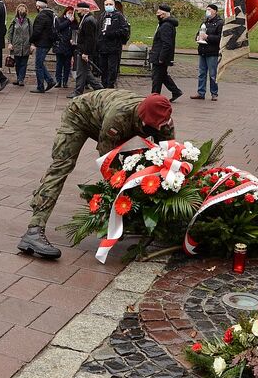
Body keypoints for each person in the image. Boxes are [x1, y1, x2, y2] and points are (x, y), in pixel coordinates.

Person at [19, 91, 176, 258]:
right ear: (142, 117)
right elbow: (108, 161)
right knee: (61, 166)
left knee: (145, 165)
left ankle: (136, 221)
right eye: (154, 125)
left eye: (161, 125)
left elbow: (169, 158)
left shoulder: (162, 119)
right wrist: (123, 195)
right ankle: (34, 231)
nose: (160, 128)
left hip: (111, 121)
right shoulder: (118, 116)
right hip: (79, 115)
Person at [68, 2, 103, 99]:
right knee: (85, 72)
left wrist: (86, 53)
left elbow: (90, 39)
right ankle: (99, 88)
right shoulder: (86, 19)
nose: (77, 11)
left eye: (78, 9)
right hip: (82, 49)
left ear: (84, 10)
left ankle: (79, 91)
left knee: (81, 72)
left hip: (84, 51)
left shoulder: (88, 21)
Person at [150, 4, 182, 101]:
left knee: (156, 78)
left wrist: (161, 58)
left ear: (163, 15)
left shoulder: (166, 26)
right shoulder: (165, 25)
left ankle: (154, 97)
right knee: (162, 76)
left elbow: (166, 44)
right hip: (159, 54)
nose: (157, 15)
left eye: (159, 13)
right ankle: (176, 91)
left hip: (160, 56)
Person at [192, 3, 223, 100]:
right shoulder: (204, 22)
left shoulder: (219, 23)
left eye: (209, 9)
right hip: (202, 50)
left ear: (215, 11)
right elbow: (199, 32)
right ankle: (201, 92)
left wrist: (208, 37)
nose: (208, 11)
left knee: (213, 74)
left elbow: (220, 38)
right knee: (202, 73)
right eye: (207, 9)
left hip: (212, 52)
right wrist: (197, 37)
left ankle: (214, 93)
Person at [97, 0, 130, 89]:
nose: (108, 6)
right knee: (103, 68)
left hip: (114, 47)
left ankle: (110, 85)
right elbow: (98, 30)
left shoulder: (119, 16)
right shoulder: (102, 15)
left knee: (112, 68)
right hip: (103, 47)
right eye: (106, 4)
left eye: (110, 4)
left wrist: (112, 33)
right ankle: (104, 85)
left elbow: (124, 31)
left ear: (114, 5)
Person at [29, 0, 57, 93]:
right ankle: (49, 81)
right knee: (40, 64)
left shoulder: (41, 16)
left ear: (38, 6)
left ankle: (41, 86)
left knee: (38, 66)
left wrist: (31, 41)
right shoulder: (50, 14)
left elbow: (37, 31)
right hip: (47, 42)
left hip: (42, 43)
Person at [6, 4, 32, 87]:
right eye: (20, 10)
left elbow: (32, 33)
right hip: (16, 45)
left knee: (24, 63)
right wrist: (9, 43)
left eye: (23, 10)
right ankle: (18, 78)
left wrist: (32, 44)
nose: (21, 12)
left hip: (25, 46)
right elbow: (10, 33)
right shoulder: (14, 21)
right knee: (17, 63)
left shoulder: (28, 21)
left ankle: (21, 79)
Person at [53, 7, 76, 88]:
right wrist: (68, 21)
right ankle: (58, 81)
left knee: (67, 65)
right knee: (59, 64)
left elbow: (75, 32)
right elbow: (59, 28)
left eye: (72, 12)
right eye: (69, 12)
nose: (70, 14)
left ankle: (65, 81)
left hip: (69, 47)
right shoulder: (60, 19)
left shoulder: (74, 22)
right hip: (60, 45)